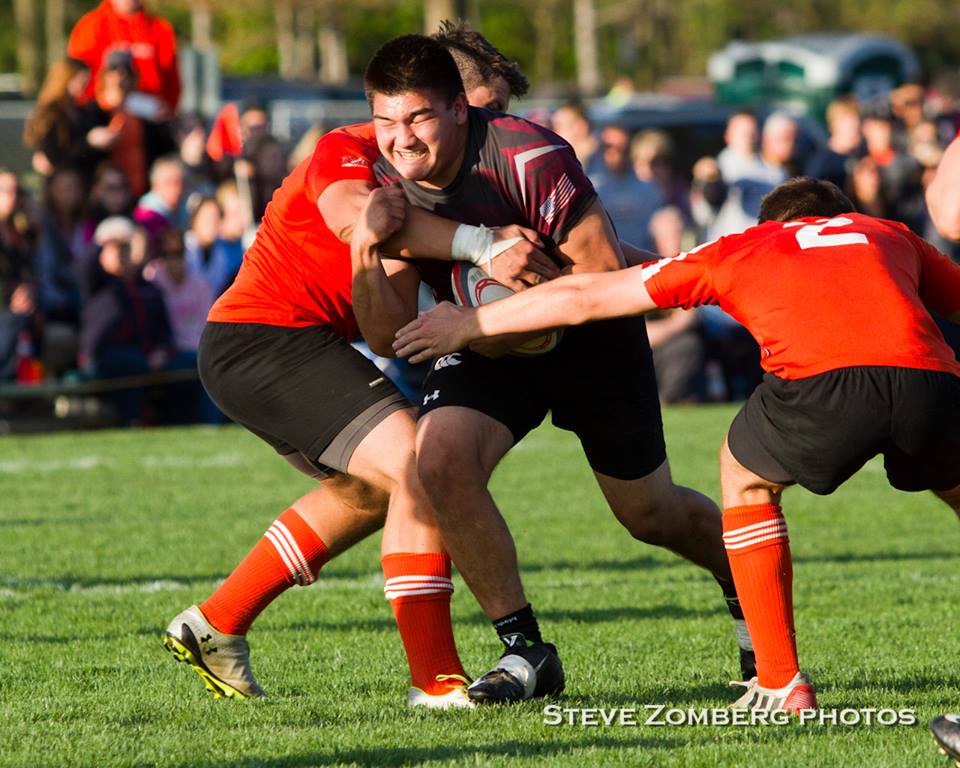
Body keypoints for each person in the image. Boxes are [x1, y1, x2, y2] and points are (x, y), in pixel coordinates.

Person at [393, 176, 960, 712]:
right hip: (931, 380)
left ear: (770, 224)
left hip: (821, 383)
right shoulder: (887, 232)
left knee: (744, 475)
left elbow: (587, 299)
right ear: (843, 216)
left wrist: (470, 326)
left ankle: (780, 679)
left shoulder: (747, 245)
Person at [161, 24, 556, 708]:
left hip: (304, 344)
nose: (494, 133)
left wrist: (664, 274)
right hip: (260, 338)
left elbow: (566, 244)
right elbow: (359, 220)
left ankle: (217, 622)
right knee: (416, 463)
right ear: (446, 101)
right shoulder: (346, 148)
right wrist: (483, 244)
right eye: (485, 113)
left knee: (371, 492)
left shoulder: (451, 178)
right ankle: (437, 683)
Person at [362, 34, 753, 705]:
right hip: (483, 341)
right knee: (441, 461)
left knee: (650, 515)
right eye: (387, 121)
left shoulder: (530, 154)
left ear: (461, 110)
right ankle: (526, 652)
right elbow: (385, 332)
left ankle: (746, 587)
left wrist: (484, 320)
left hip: (590, 336)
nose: (401, 139)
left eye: (419, 118)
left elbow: (601, 277)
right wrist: (366, 245)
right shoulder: (383, 176)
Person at [67, 0, 180, 119]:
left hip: (149, 116)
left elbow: (172, 82)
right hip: (100, 114)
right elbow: (77, 77)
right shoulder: (91, 26)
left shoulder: (160, 29)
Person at [589, 124, 663, 252]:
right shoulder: (591, 186)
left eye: (623, 148)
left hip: (641, 260)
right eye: (610, 147)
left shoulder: (647, 187)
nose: (617, 153)